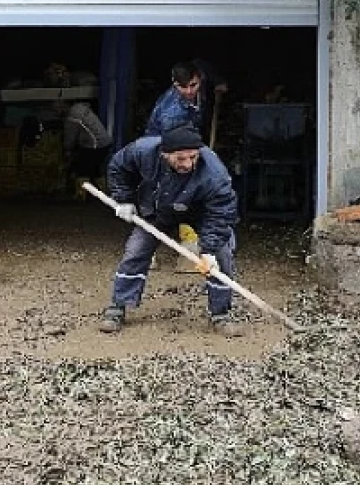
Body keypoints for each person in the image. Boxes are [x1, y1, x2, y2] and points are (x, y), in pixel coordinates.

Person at [100, 125, 242, 336]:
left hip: (201, 212)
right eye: (180, 158)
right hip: (159, 208)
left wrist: (209, 250)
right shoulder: (143, 151)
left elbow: (221, 212)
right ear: (164, 154)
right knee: (136, 251)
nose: (188, 164)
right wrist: (124, 199)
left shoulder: (214, 174)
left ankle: (220, 314)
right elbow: (118, 167)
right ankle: (117, 308)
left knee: (221, 256)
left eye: (193, 157)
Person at [143, 60, 229, 139]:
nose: (189, 91)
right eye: (183, 86)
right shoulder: (172, 114)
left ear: (201, 77)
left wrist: (218, 81)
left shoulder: (199, 71)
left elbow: (202, 65)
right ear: (174, 82)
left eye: (193, 85)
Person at [60, 100, 114, 184]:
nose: (54, 109)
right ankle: (100, 191)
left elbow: (70, 138)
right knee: (94, 170)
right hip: (104, 142)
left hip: (95, 145)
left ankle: (82, 194)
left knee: (82, 171)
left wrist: (67, 151)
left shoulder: (72, 117)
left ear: (63, 105)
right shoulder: (81, 108)